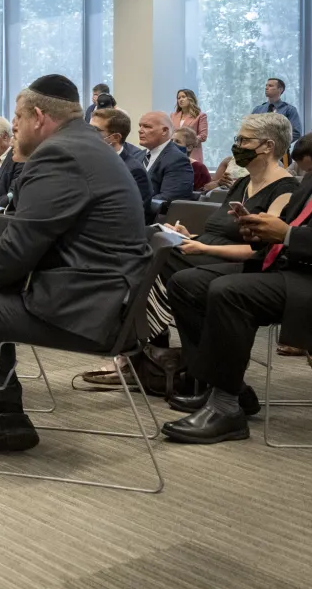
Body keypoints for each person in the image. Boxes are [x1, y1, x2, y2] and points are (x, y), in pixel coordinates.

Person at [0, 75, 151, 454]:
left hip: (88, 307)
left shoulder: (59, 155)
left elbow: (22, 243)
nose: (16, 127)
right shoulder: (87, 146)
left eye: (17, 117)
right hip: (106, 298)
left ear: (38, 117)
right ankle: (4, 415)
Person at [160, 89, 312, 444]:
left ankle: (226, 408)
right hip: (294, 271)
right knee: (186, 283)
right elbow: (290, 228)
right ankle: (230, 386)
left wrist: (288, 235)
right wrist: (259, 229)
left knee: (230, 291)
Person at [83, 114, 298, 389]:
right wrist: (191, 236)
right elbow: (220, 232)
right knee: (150, 246)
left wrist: (203, 246)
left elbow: (264, 250)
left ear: (268, 146)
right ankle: (146, 353)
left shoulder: (286, 189)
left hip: (239, 265)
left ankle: (140, 352)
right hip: (207, 252)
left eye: (243, 140)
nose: (237, 146)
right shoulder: (243, 183)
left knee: (154, 261)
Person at [90, 108, 151, 216]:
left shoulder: (133, 170)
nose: (87, 134)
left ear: (115, 137)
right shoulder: (87, 162)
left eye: (95, 130)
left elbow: (130, 213)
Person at [138, 111, 194, 216]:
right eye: (140, 126)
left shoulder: (177, 160)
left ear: (164, 131)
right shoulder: (138, 156)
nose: (140, 130)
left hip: (153, 220)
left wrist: (131, 204)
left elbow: (170, 199)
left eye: (147, 127)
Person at [251, 77, 304, 143]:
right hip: (259, 150)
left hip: (280, 151)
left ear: (280, 89)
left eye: (270, 86)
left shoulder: (289, 110)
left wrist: (278, 143)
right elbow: (250, 130)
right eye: (266, 85)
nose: (266, 88)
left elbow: (296, 132)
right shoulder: (258, 110)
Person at [171, 88, 208, 165]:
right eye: (179, 98)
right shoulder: (173, 116)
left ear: (191, 98)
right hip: (174, 153)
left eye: (183, 97)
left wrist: (187, 142)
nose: (181, 100)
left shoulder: (200, 116)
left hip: (192, 152)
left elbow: (203, 136)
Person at [173, 127, 211, 191]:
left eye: (177, 141)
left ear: (189, 148)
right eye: (171, 141)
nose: (172, 144)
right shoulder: (163, 163)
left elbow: (203, 194)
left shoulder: (199, 168)